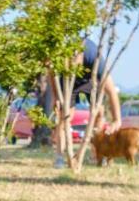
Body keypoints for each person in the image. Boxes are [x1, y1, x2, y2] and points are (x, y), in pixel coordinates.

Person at [41, 37, 122, 168]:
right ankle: (60, 157)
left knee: (99, 112)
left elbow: (111, 91)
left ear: (80, 55)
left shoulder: (93, 56)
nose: (72, 63)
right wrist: (56, 97)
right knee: (65, 116)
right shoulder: (60, 57)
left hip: (90, 80)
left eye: (75, 60)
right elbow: (52, 75)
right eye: (69, 60)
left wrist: (117, 119)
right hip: (67, 80)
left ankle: (97, 155)